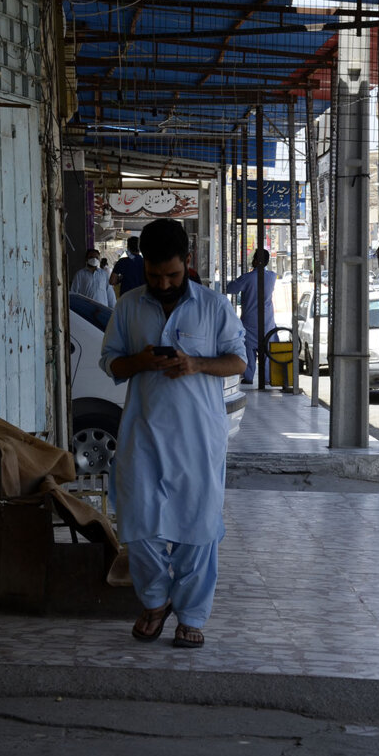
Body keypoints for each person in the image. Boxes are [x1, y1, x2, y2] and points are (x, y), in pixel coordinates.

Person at [100, 218, 246, 649]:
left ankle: (192, 616)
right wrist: (141, 361)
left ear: (188, 262)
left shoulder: (213, 306)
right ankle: (154, 601)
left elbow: (238, 362)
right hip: (141, 436)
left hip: (199, 439)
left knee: (197, 531)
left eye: (173, 275)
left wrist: (196, 363)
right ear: (143, 266)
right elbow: (111, 364)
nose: (164, 284)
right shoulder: (128, 307)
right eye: (155, 275)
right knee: (138, 525)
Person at [226, 248, 277, 384]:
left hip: (250, 321)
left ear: (255, 260)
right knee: (266, 351)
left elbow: (231, 288)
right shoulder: (272, 277)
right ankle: (266, 378)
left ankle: (248, 376)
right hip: (267, 321)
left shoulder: (247, 278)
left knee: (248, 349)